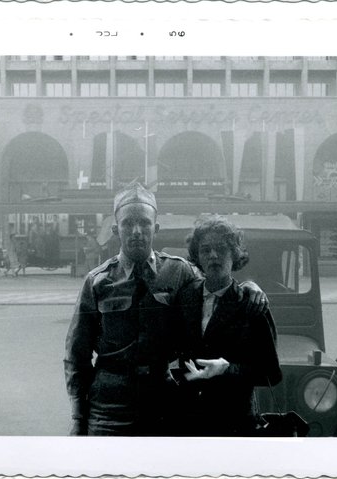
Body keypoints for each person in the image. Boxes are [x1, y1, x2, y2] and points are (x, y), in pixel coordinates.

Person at [64, 182, 267, 436]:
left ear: (155, 228)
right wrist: (78, 417)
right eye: (128, 224)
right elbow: (76, 355)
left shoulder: (179, 272)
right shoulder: (97, 282)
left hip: (162, 403)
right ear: (117, 230)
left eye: (145, 223)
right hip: (108, 410)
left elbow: (216, 284)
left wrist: (248, 287)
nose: (137, 231)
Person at [172, 216, 282, 436]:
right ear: (197, 257)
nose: (213, 255)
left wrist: (227, 369)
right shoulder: (184, 297)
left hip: (234, 422)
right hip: (188, 419)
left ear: (235, 255)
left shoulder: (251, 303)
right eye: (205, 250)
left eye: (221, 249)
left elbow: (271, 373)